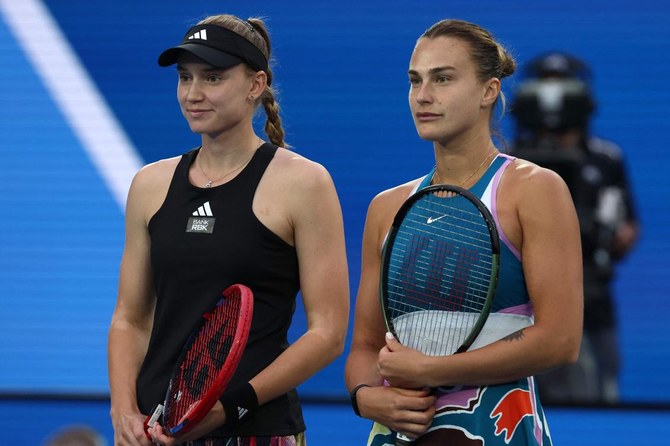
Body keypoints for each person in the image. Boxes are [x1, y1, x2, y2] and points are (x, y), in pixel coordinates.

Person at [107, 14, 349, 446]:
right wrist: (123, 410)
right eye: (185, 77)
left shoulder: (305, 183)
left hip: (256, 429)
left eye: (213, 77)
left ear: (256, 84)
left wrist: (228, 407)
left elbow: (327, 334)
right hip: (154, 431)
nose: (193, 93)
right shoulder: (149, 184)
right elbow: (130, 318)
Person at [344, 19, 583, 445]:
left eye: (443, 79)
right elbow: (364, 345)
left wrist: (432, 370)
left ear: (489, 91)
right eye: (415, 80)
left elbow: (560, 340)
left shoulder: (534, 189)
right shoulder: (386, 207)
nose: (423, 95)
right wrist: (364, 397)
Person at [510, 51, 639, 405]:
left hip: (593, 295)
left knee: (599, 388)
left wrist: (612, 236)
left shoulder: (606, 158)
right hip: (522, 298)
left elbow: (629, 227)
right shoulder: (508, 159)